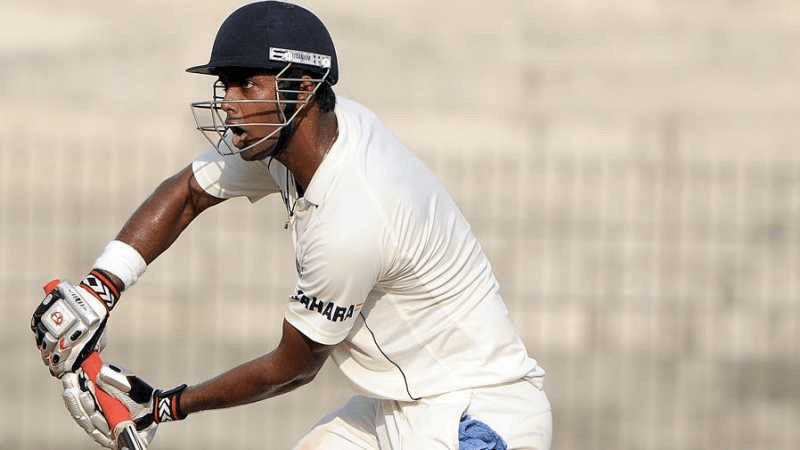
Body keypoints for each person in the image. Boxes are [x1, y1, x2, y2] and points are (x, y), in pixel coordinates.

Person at [30, 2, 552, 448]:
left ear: (301, 89)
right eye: (224, 85)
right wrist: (100, 289)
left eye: (246, 85)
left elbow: (293, 366)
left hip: (475, 415)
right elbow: (188, 192)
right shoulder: (296, 136)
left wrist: (169, 404)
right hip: (399, 405)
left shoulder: (353, 212)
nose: (229, 104)